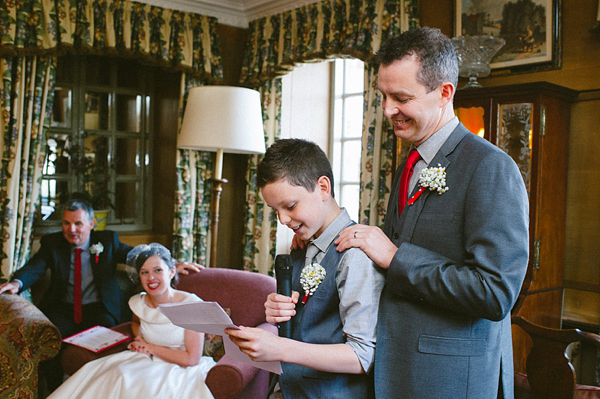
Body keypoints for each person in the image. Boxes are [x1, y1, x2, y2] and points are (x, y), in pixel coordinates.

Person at [333, 27, 529, 398]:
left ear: (444, 93)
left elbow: (495, 292)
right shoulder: (409, 163)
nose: (388, 110)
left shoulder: (490, 167)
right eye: (384, 96)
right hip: (397, 367)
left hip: (450, 378)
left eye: (401, 97)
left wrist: (395, 257)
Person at [225, 138, 385, 399]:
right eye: (275, 211)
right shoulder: (302, 244)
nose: (283, 220)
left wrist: (280, 348)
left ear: (323, 187)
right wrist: (279, 310)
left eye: (289, 206)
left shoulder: (355, 254)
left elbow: (362, 355)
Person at [0, 199, 201, 392]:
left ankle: (96, 384)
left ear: (91, 223)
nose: (72, 229)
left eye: (78, 223)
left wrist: (172, 264)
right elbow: (37, 266)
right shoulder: (53, 243)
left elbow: (139, 256)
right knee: (51, 337)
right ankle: (54, 386)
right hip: (63, 307)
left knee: (106, 338)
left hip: (99, 308)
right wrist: (17, 283)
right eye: (66, 223)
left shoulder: (107, 241)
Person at [48, 243, 216, 399]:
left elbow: (192, 358)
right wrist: (140, 338)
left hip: (179, 369)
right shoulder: (139, 302)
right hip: (145, 359)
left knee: (145, 389)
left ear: (171, 272)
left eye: (158, 270)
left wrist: (151, 347)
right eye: (144, 272)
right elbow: (136, 323)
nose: (151, 278)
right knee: (111, 375)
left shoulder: (192, 305)